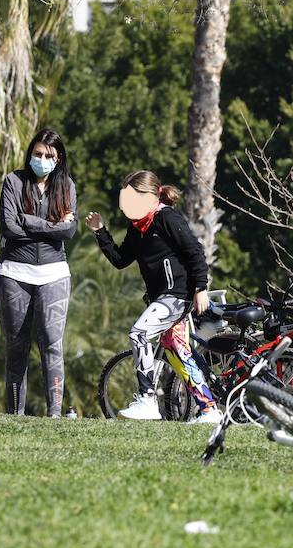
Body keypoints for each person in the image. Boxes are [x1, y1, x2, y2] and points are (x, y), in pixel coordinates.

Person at [84, 171, 218, 423]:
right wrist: (100, 231)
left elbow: (195, 251)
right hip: (162, 297)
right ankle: (209, 409)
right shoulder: (138, 226)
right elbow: (121, 259)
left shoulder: (166, 217)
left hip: (178, 295)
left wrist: (201, 288)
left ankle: (147, 399)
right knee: (177, 351)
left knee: (139, 333)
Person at [0, 128, 77, 417]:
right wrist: (51, 228)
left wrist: (31, 222)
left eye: (48, 156)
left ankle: (54, 414)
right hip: (14, 272)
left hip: (54, 274)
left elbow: (69, 230)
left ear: (58, 159)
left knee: (52, 345)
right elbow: (9, 227)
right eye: (37, 154)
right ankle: (14, 414)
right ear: (30, 153)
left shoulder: (66, 185)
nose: (42, 159)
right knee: (16, 346)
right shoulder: (13, 181)